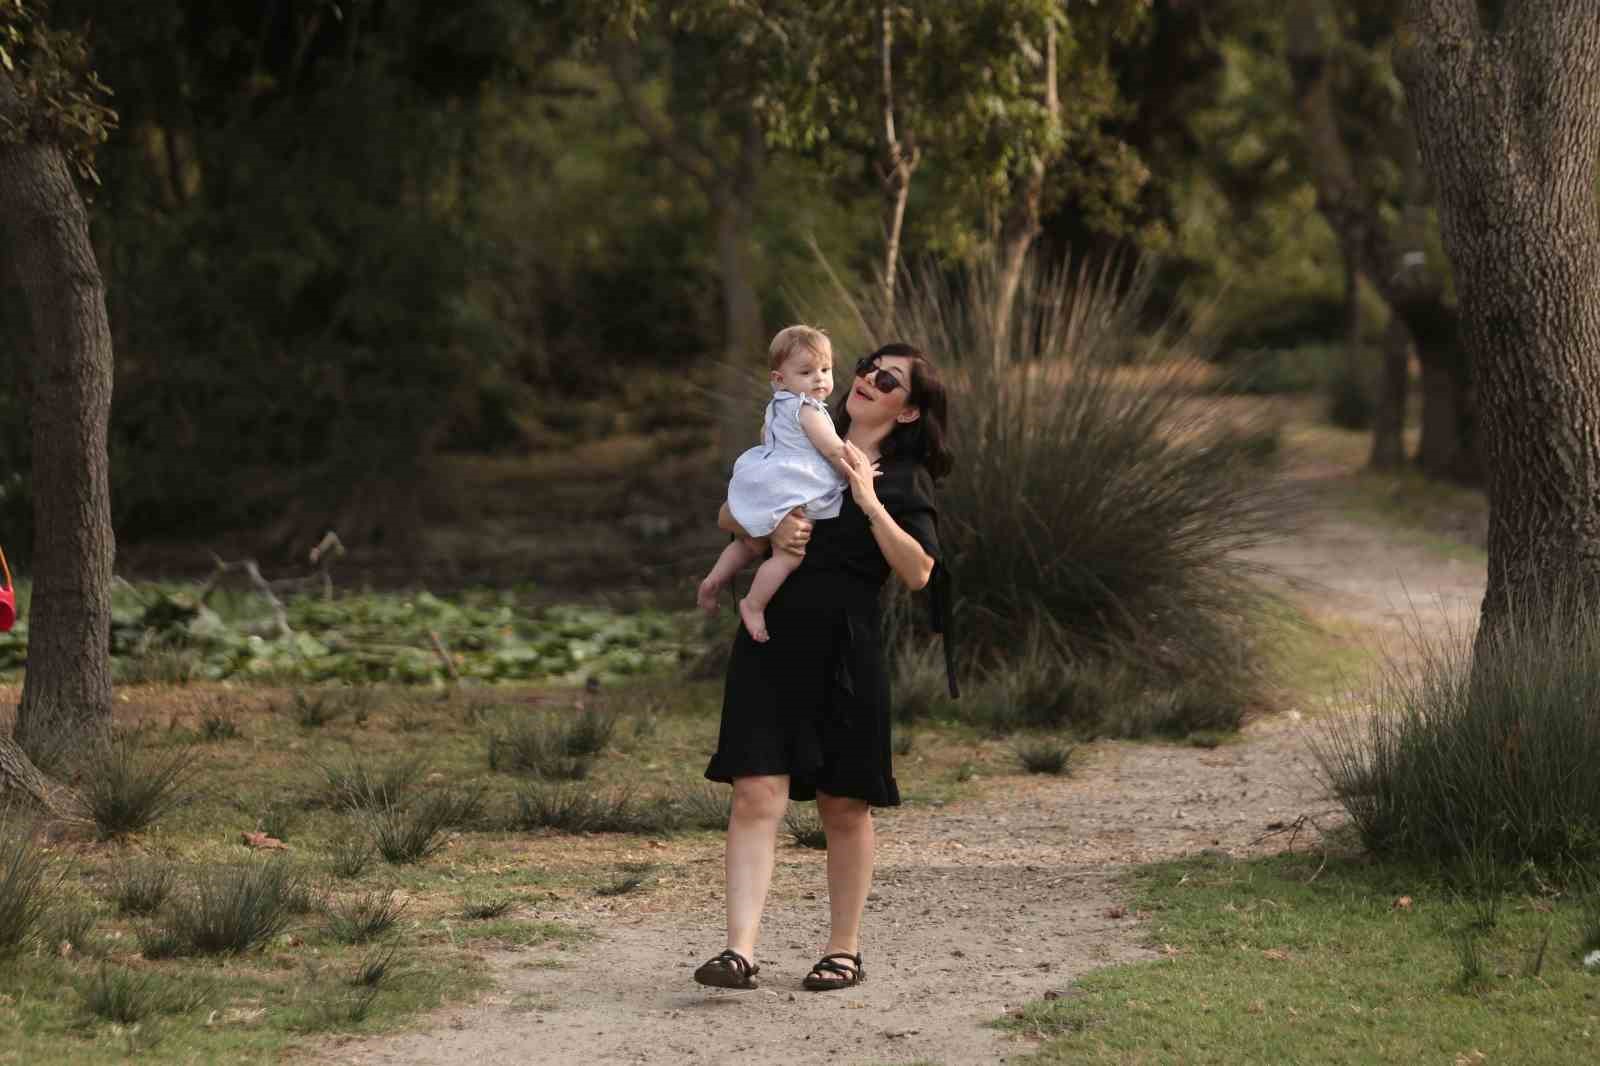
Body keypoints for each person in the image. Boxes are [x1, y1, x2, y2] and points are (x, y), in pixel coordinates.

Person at [695, 342, 956, 993]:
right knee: (756, 791)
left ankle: (843, 950)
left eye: (887, 378)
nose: (867, 378)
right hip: (771, 640)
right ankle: (739, 951)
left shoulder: (903, 479)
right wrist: (775, 526)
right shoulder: (801, 433)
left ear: (907, 410)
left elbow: (919, 571)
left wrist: (868, 502)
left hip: (845, 651)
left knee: (844, 804)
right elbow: (731, 510)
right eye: (867, 367)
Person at [697, 324, 850, 643]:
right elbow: (834, 449)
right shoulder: (809, 410)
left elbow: (768, 438)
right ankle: (753, 604)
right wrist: (856, 470)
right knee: (789, 555)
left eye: (826, 369)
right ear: (779, 379)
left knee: (751, 543)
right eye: (807, 372)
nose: (820, 379)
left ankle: (714, 580)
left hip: (768, 477)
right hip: (794, 486)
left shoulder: (777, 406)